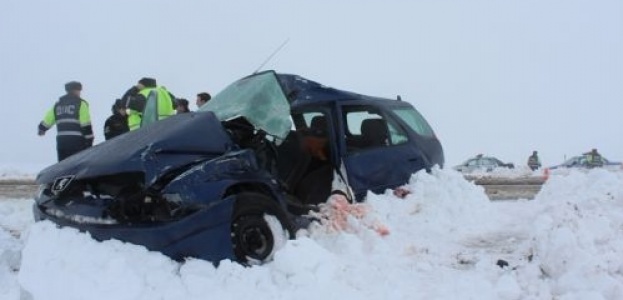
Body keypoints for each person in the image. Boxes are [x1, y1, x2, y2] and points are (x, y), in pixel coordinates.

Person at [38, 81, 94, 161]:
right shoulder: (81, 104)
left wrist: (42, 129)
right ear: (76, 90)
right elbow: (85, 124)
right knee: (76, 167)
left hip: (62, 143)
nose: (80, 93)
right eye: (79, 90)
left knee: (63, 167)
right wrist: (89, 141)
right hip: (77, 142)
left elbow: (48, 120)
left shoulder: (58, 105)